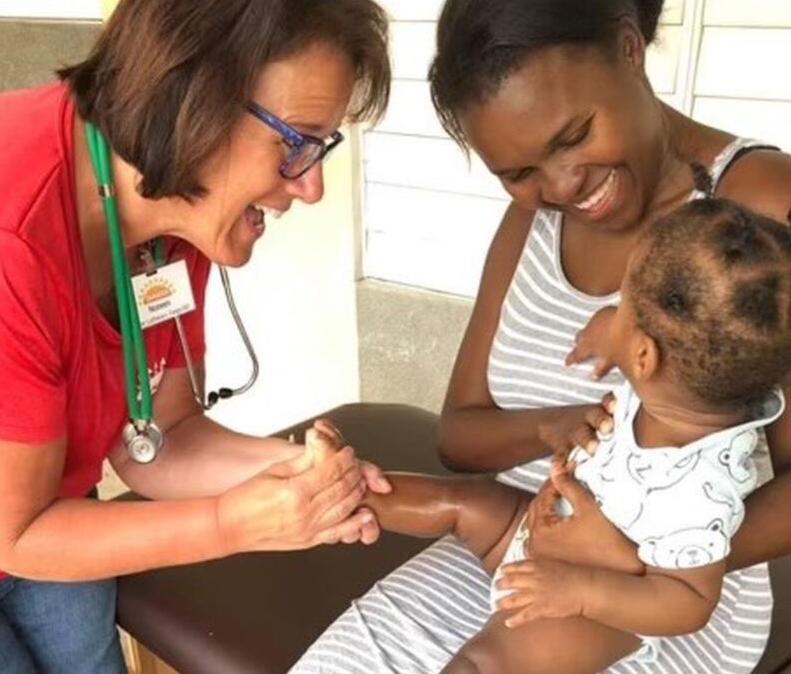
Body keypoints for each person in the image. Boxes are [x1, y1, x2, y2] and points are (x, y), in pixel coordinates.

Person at [291, 0, 791, 672]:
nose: (560, 188)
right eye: (519, 169)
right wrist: (553, 428)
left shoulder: (764, 213)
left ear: (628, 48)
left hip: (666, 596)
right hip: (529, 532)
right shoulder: (532, 218)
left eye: (574, 135)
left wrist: (630, 553)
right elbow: (462, 435)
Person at [0, 0, 392, 672]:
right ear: (193, 103)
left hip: (44, 511)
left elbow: (162, 436)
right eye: (297, 143)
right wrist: (233, 523)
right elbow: (7, 527)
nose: (311, 185)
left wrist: (300, 477)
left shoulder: (172, 218)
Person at [302, 197, 791, 673]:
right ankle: (350, 491)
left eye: (621, 303)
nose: (610, 310)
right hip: (539, 532)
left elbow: (688, 602)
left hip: (595, 608)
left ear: (644, 356)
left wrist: (578, 591)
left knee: (485, 662)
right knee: (464, 503)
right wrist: (612, 332)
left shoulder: (703, 492)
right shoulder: (687, 385)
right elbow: (645, 337)